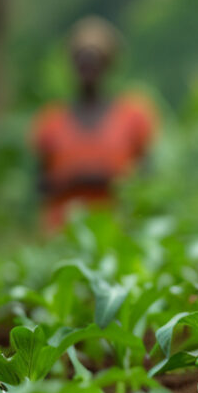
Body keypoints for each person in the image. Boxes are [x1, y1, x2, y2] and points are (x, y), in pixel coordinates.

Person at [29, 16, 157, 233]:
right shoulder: (50, 121)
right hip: (62, 232)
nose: (88, 68)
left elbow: (147, 177)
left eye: (94, 61)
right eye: (82, 61)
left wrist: (110, 181)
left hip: (119, 230)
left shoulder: (133, 115)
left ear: (107, 65)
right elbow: (40, 184)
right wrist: (75, 179)